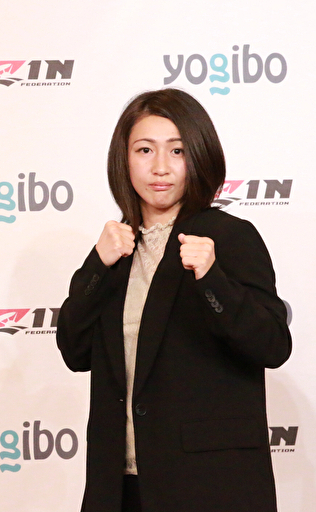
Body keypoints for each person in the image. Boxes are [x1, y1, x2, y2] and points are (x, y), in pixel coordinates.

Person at [56, 88, 291, 512]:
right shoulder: (116, 250)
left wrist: (212, 278)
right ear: (124, 159)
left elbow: (272, 345)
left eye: (177, 150)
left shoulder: (229, 237)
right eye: (145, 150)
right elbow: (74, 351)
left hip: (208, 485)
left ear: (198, 156)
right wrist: (96, 265)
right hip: (121, 484)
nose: (160, 167)